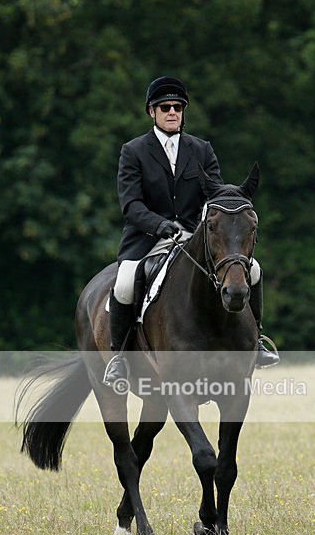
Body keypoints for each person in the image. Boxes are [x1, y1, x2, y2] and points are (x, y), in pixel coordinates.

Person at [103, 76, 279, 386]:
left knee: (253, 271)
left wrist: (204, 225)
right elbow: (130, 205)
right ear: (152, 112)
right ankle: (119, 357)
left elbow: (217, 196)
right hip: (148, 239)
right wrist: (160, 225)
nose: (172, 112)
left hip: (195, 237)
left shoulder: (201, 149)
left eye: (178, 107)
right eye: (165, 107)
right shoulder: (133, 151)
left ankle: (258, 341)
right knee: (126, 282)